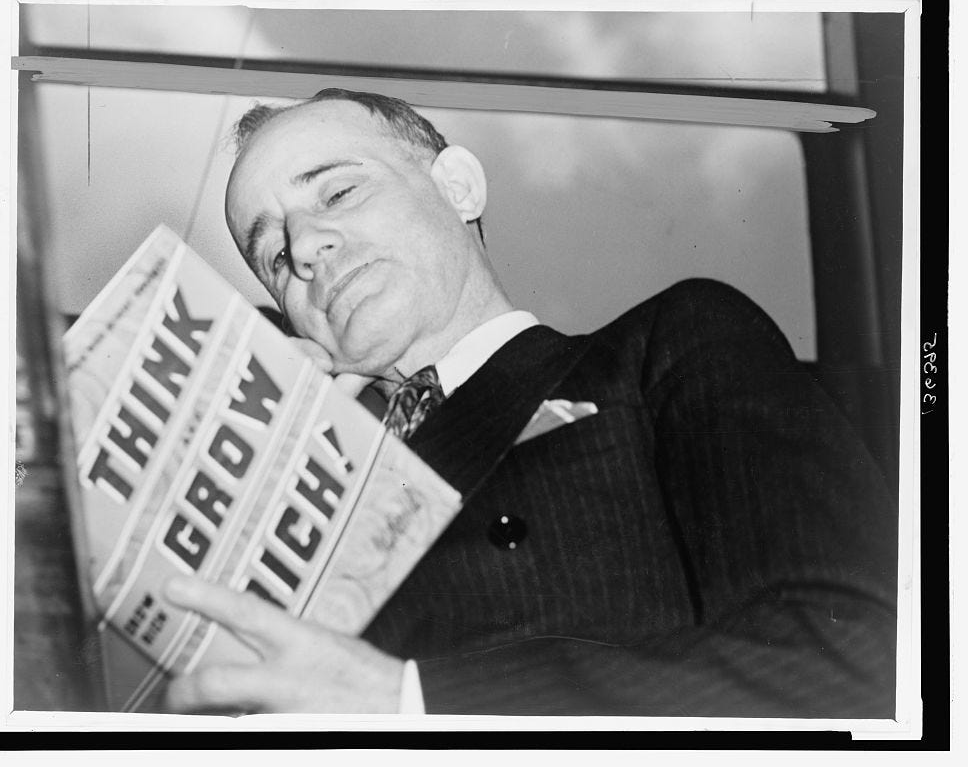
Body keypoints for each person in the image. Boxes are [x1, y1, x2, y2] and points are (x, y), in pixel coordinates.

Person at [161, 88, 897, 717]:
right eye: (273, 257)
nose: (307, 246)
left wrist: (409, 704)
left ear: (458, 187)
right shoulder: (293, 505)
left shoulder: (663, 346)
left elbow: (854, 655)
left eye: (339, 192)